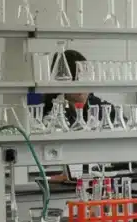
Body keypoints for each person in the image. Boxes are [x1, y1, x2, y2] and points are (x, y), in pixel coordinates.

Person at [42, 48, 116, 182]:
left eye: (83, 79)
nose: (80, 87)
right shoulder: (47, 111)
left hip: (99, 181)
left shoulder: (105, 110)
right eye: (75, 80)